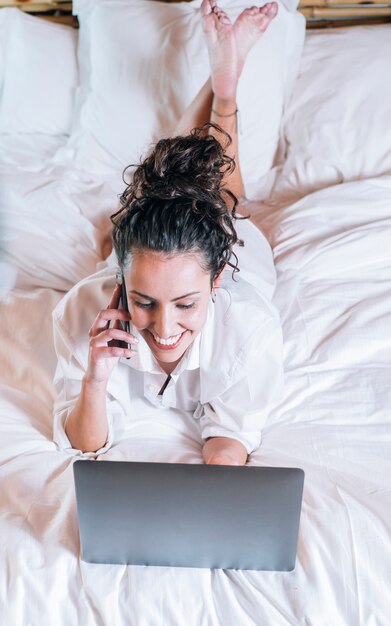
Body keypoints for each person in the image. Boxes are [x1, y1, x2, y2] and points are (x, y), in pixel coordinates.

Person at [52, 0, 283, 466]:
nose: (163, 329)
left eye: (186, 304)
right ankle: (222, 85)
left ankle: (225, 88)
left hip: (232, 249)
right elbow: (84, 443)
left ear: (215, 282)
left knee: (226, 200)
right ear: (120, 280)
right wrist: (94, 379)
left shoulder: (251, 330)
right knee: (157, 192)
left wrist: (209, 498)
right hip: (145, 252)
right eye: (143, 302)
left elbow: (229, 439)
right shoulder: (81, 309)